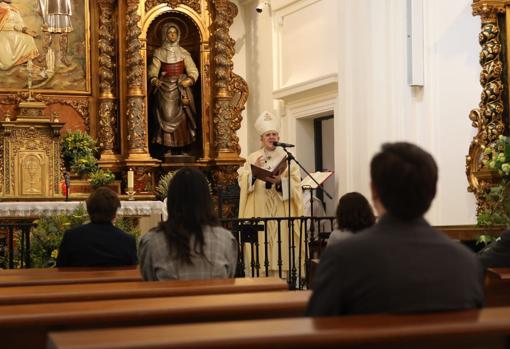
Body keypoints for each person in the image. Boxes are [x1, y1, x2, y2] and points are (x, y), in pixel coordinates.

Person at [307, 142, 484, 316]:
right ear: (433, 192)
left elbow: (318, 326)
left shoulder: (342, 258)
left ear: (374, 191)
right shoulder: (467, 262)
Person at [139, 168, 237, 280]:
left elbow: (150, 281)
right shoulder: (226, 240)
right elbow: (229, 276)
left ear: (171, 200)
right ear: (206, 200)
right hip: (214, 297)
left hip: (168, 297)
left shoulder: (151, 241)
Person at [238, 111, 303, 277]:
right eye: (268, 134)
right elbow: (242, 183)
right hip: (259, 212)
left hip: (281, 211)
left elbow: (296, 184)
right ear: (261, 138)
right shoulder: (252, 157)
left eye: (274, 134)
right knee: (261, 251)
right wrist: (252, 173)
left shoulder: (288, 158)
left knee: (281, 249)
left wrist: (281, 182)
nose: (272, 137)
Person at [148, 22, 199, 155]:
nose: (172, 35)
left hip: (181, 87)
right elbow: (153, 70)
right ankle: (167, 148)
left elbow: (193, 69)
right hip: (165, 88)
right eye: (170, 33)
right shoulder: (159, 52)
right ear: (165, 34)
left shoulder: (183, 52)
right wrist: (154, 79)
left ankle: (182, 148)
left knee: (183, 117)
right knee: (166, 115)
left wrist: (189, 79)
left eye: (174, 33)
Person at [56, 187, 137, 267]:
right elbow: (132, 269)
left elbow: (60, 268)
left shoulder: (71, 236)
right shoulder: (127, 241)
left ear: (88, 210)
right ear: (114, 213)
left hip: (80, 279)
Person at [0, 0, 39, 71]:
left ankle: (27, 63)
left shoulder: (14, 9)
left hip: (15, 33)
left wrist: (27, 30)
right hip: (3, 34)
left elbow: (20, 23)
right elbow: (3, 25)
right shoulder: (1, 8)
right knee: (6, 64)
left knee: (28, 39)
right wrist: (20, 28)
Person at [37, 0, 73, 67]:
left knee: (64, 32)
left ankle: (63, 57)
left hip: (63, 4)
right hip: (49, 4)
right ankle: (44, 54)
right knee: (47, 32)